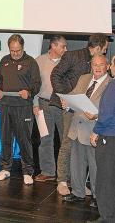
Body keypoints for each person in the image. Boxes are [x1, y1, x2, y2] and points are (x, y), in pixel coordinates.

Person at [50, 33, 108, 195]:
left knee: (88, 153)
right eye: (104, 49)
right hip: (73, 111)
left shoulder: (106, 79)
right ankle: (63, 181)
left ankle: (85, 187)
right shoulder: (73, 56)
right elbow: (56, 75)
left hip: (91, 118)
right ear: (97, 48)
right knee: (68, 145)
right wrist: (66, 97)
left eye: (101, 63)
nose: (104, 52)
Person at [60, 54, 110, 208]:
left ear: (107, 66)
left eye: (101, 64)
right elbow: (74, 96)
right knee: (76, 164)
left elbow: (110, 110)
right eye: (95, 64)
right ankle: (78, 193)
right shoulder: (84, 78)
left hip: (95, 130)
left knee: (96, 166)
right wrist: (67, 104)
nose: (97, 68)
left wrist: (97, 116)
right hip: (76, 127)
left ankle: (97, 196)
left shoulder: (111, 84)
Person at [0, 34, 41, 185]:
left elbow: (36, 84)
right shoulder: (4, 61)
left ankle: (28, 171)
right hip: (6, 105)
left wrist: (29, 91)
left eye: (18, 50)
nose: (15, 53)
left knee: (24, 140)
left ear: (23, 48)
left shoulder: (31, 62)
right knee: (5, 138)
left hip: (23, 107)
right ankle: (5, 168)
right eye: (12, 50)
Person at [33, 35, 67, 182]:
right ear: (53, 46)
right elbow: (33, 85)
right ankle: (48, 171)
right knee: (45, 138)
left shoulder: (68, 61)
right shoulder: (39, 61)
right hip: (43, 104)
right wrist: (35, 104)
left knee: (66, 140)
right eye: (62, 46)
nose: (65, 49)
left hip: (63, 106)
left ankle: (66, 175)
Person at [89, 56, 115, 222]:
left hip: (108, 137)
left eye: (112, 63)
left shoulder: (113, 85)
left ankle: (107, 217)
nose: (111, 66)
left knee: (105, 179)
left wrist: (96, 131)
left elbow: (106, 114)